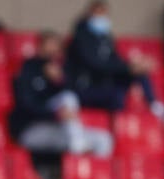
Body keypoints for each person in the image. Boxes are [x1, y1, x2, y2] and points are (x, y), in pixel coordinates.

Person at [9, 30, 115, 159]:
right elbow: (26, 104)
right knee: (72, 136)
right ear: (41, 45)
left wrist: (59, 81)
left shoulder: (60, 71)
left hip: (61, 128)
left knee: (104, 139)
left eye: (57, 45)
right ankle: (77, 150)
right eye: (51, 44)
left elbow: (73, 96)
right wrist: (56, 114)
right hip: (31, 128)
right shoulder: (28, 68)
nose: (54, 48)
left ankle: (90, 167)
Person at [65, 1, 164, 117]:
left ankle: (155, 107)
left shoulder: (105, 37)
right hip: (86, 87)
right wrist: (127, 68)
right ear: (89, 15)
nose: (101, 19)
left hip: (105, 82)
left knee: (138, 72)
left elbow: (114, 59)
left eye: (104, 15)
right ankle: (117, 124)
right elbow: (96, 64)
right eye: (98, 14)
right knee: (117, 94)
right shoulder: (81, 38)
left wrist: (133, 65)